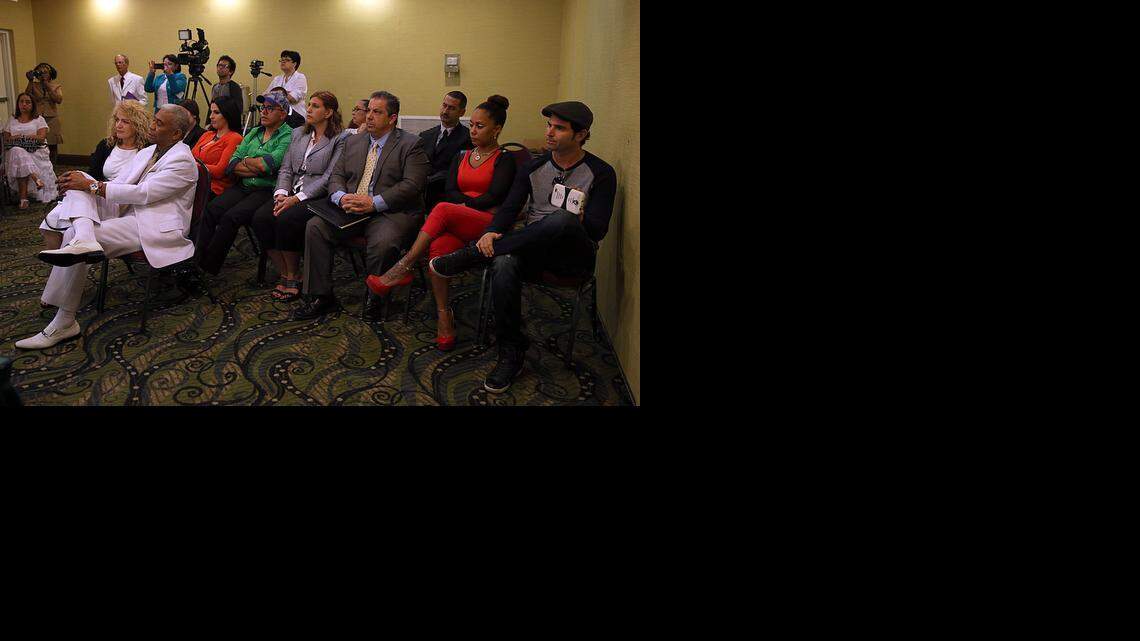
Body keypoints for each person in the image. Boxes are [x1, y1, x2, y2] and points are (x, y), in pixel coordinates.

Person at [430, 101, 616, 393]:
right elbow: (508, 210)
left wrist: (580, 220)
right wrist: (492, 232)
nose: (550, 133)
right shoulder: (533, 167)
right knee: (503, 263)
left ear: (581, 135)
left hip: (573, 256)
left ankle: (472, 255)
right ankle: (511, 350)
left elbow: (598, 230)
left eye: (559, 128)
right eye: (549, 126)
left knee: (563, 218)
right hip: (531, 249)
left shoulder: (602, 172)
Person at [14, 104, 199, 350]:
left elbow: (144, 193)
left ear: (176, 134)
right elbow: (121, 183)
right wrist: (87, 183)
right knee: (78, 180)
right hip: (128, 213)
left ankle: (65, 320)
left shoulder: (183, 161)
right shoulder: (151, 151)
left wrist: (92, 187)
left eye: (159, 123)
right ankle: (84, 240)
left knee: (74, 227)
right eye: (154, 120)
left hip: (152, 225)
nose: (152, 126)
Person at [368, 95, 515, 351]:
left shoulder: (504, 158)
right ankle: (444, 317)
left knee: (442, 209)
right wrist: (463, 204)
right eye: (472, 125)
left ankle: (404, 266)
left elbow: (496, 197)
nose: (473, 130)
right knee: (438, 250)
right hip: (457, 218)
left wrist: (461, 206)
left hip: (487, 226)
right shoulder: (462, 155)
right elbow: (450, 189)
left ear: (497, 129)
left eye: (480, 126)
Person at [292, 90, 429, 321]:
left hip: (390, 212)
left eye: (377, 112)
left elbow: (412, 185)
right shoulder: (354, 141)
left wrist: (373, 203)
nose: (369, 117)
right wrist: (341, 198)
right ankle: (321, 296)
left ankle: (375, 298)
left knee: (383, 241)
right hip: (351, 208)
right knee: (315, 227)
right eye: (368, 111)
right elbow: (337, 176)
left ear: (392, 118)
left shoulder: (410, 144)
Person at [251, 91, 347, 302]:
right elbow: (286, 168)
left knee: (287, 219)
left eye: (315, 106)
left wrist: (296, 199)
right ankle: (284, 272)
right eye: (309, 105)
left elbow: (329, 177)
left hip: (315, 196)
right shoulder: (298, 134)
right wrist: (281, 193)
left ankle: (293, 275)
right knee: (261, 217)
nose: (309, 109)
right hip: (290, 191)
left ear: (329, 112)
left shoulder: (340, 139)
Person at [194, 92, 292, 276]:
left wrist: (246, 161)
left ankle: (207, 267)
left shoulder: (287, 136)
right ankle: (194, 259)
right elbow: (232, 165)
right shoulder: (255, 132)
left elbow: (269, 165)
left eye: (270, 108)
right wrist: (253, 163)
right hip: (244, 185)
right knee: (211, 210)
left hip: (265, 189)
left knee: (231, 218)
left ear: (283, 113)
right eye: (263, 108)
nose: (263, 112)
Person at [38, 101, 150, 250]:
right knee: (51, 220)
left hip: (122, 202)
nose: (118, 125)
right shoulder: (106, 145)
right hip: (96, 194)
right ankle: (61, 259)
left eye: (125, 121)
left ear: (137, 124)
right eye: (117, 120)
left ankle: (82, 240)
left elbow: (140, 188)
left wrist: (85, 185)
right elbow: (91, 175)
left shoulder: (147, 150)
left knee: (75, 187)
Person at [419, 91, 473, 210]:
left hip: (447, 194)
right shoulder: (425, 135)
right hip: (421, 192)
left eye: (451, 108)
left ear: (462, 112)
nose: (445, 111)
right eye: (444, 105)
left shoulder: (468, 138)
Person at [2, 92, 56, 209]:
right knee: (17, 151)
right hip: (14, 151)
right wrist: (27, 136)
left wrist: (20, 136)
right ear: (18, 104)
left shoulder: (38, 119)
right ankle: (35, 178)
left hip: (35, 150)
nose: (24, 105)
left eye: (27, 102)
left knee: (19, 152)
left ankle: (23, 198)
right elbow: (6, 138)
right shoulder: (12, 119)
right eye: (21, 102)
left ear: (32, 105)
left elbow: (41, 137)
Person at [191, 96, 243, 199]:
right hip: (193, 181)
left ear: (228, 114)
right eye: (211, 112)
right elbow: (189, 157)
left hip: (213, 188)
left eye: (216, 112)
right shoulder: (207, 134)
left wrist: (192, 165)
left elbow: (220, 171)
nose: (211, 116)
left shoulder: (235, 138)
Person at [24, 63, 62, 163]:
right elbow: (27, 96)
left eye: (45, 72)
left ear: (50, 74)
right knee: (38, 144)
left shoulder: (56, 86)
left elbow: (58, 99)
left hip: (52, 118)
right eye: (40, 72)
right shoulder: (33, 85)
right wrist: (30, 81)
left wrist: (47, 85)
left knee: (52, 145)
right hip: (37, 118)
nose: (43, 74)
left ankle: (52, 168)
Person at [264, 50, 307, 129]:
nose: (283, 62)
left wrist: (275, 94)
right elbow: (266, 96)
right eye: (281, 60)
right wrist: (285, 93)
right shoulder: (277, 78)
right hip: (278, 117)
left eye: (287, 60)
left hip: (295, 117)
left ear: (294, 63)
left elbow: (293, 99)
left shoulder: (300, 77)